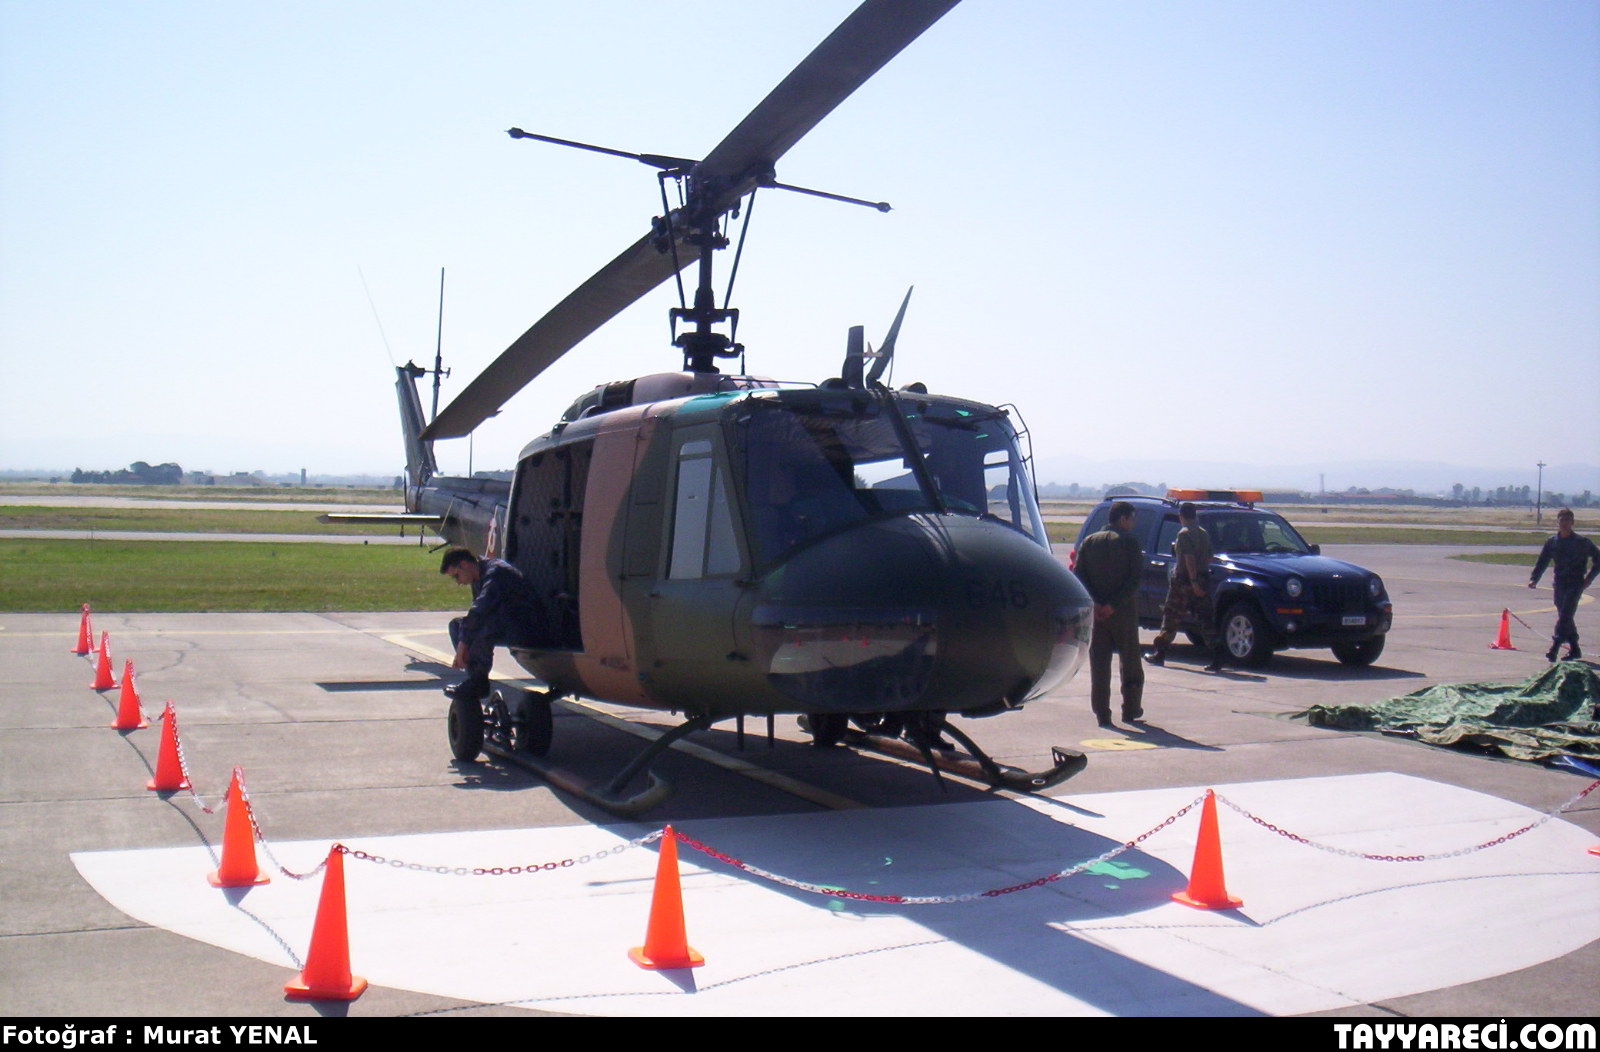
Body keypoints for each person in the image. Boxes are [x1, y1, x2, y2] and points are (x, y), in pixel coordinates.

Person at [1074, 501, 1145, 725]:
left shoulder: (1089, 542)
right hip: (1122, 612)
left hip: (1097, 615)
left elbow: (1078, 576)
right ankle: (1130, 709)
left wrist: (1095, 603)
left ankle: (1102, 713)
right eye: (1131, 518)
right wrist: (1113, 604)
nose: (1133, 523)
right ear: (1122, 519)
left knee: (1100, 664)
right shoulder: (1129, 543)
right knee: (1130, 661)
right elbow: (1134, 580)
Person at [439, 548, 543, 701]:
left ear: (464, 564)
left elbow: (481, 610)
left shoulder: (496, 572)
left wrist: (463, 645)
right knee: (456, 625)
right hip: (505, 624)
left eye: (456, 576)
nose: (459, 582)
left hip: (528, 625)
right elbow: (476, 616)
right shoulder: (477, 578)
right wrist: (465, 641)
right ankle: (476, 679)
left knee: (482, 625)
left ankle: (479, 681)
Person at [1146, 503, 1228, 672]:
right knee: (1205, 620)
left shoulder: (1184, 534)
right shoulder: (1203, 533)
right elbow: (1209, 557)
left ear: (1181, 516)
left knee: (1171, 618)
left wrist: (1193, 580)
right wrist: (1200, 576)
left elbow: (1188, 558)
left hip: (1184, 583)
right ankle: (1218, 654)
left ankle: (1159, 653)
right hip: (1202, 579)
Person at [1527, 509, 1600, 662]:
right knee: (1565, 617)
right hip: (1559, 584)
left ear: (1572, 522)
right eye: (1562, 520)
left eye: (1567, 520)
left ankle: (1554, 647)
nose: (1564, 523)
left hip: (1575, 584)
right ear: (1558, 522)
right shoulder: (1552, 542)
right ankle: (1575, 649)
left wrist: (1589, 579)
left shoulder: (1582, 542)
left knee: (1566, 614)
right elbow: (1543, 561)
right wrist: (1534, 578)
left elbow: (1598, 560)